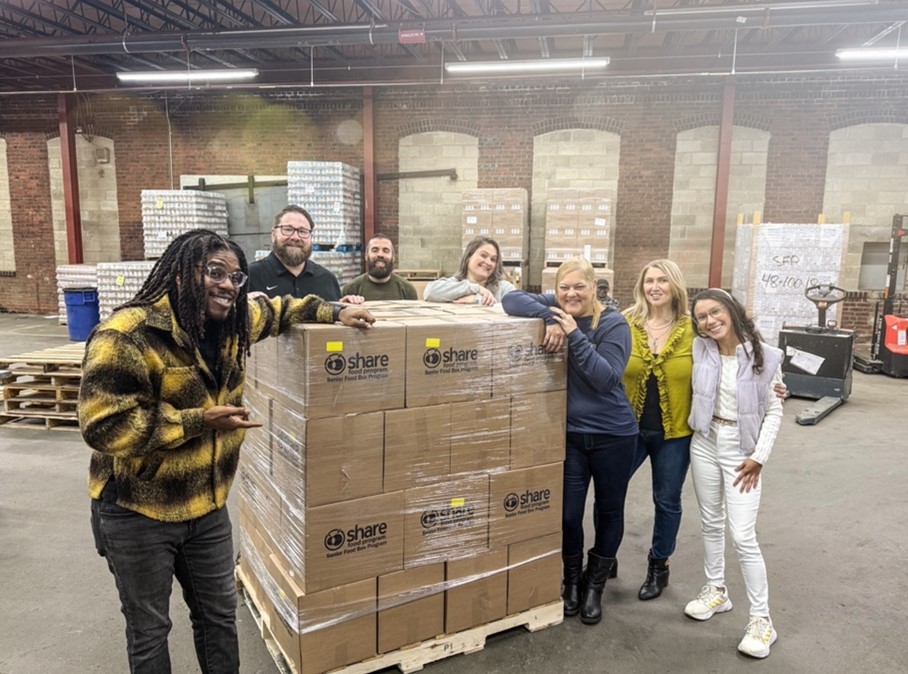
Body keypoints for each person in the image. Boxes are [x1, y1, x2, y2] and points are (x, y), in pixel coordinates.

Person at [78, 229, 375, 673]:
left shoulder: (233, 323)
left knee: (218, 616)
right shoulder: (127, 335)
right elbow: (104, 425)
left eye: (236, 278)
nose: (227, 285)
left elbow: (278, 310)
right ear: (182, 274)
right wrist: (199, 420)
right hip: (138, 510)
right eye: (214, 272)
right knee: (150, 629)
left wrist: (335, 311)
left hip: (207, 505)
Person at [502, 258, 638, 625]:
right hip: (572, 436)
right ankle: (572, 581)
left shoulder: (613, 323)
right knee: (567, 514)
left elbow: (606, 379)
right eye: (564, 287)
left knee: (609, 511)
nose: (571, 294)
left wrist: (574, 334)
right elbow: (511, 299)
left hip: (614, 436)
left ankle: (595, 586)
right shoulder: (558, 307)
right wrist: (549, 317)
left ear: (595, 288)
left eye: (579, 287)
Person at [684, 288, 784, 659]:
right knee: (711, 522)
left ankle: (762, 620)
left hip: (742, 452)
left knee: (742, 535)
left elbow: (774, 410)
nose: (710, 321)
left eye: (715, 312)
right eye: (702, 317)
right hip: (704, 441)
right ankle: (716, 591)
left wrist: (759, 457)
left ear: (731, 310)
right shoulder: (700, 349)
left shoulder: (766, 356)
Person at [621, 259, 694, 601]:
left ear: (675, 286)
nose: (655, 287)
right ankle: (605, 557)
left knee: (666, 500)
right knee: (609, 493)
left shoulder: (694, 329)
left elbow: (734, 357)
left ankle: (658, 565)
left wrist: (771, 383)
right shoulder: (625, 322)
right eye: (649, 280)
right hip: (628, 430)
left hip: (674, 434)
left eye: (662, 280)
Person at [248, 204, 363, 304]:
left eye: (302, 231)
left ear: (311, 238)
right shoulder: (251, 276)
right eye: (288, 229)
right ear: (273, 234)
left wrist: (346, 306)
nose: (295, 237)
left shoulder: (326, 279)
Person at [424, 236, 515, 305]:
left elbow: (516, 307)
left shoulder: (504, 288)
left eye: (493, 259)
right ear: (468, 257)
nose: (488, 262)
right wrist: (476, 288)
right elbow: (429, 292)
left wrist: (476, 299)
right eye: (483, 255)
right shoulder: (455, 283)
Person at [342, 234, 418, 300]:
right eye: (375, 250)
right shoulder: (351, 290)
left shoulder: (407, 289)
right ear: (366, 256)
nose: (380, 254)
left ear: (393, 258)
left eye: (386, 250)